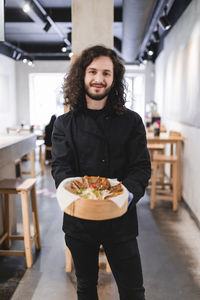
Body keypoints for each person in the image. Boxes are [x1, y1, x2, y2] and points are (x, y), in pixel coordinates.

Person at [51, 45, 151, 300]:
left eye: (106, 73)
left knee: (133, 291)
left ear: (114, 79)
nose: (98, 79)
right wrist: (78, 194)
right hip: (79, 221)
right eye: (92, 71)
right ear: (82, 76)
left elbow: (141, 167)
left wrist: (123, 196)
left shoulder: (132, 121)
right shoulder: (64, 124)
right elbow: (61, 168)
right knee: (85, 288)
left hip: (120, 217)